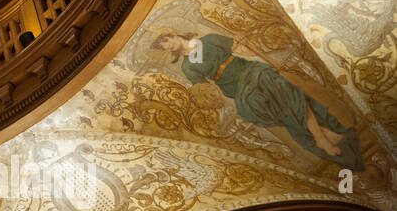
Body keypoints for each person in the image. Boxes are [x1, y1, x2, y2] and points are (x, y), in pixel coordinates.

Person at [153, 31, 364, 171]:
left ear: (174, 34)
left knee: (286, 93)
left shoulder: (207, 40)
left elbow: (240, 49)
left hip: (249, 70)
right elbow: (204, 91)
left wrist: (262, 56)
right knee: (258, 109)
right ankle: (322, 133)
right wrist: (211, 101)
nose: (169, 46)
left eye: (167, 40)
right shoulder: (187, 68)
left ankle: (320, 137)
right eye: (164, 47)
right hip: (235, 88)